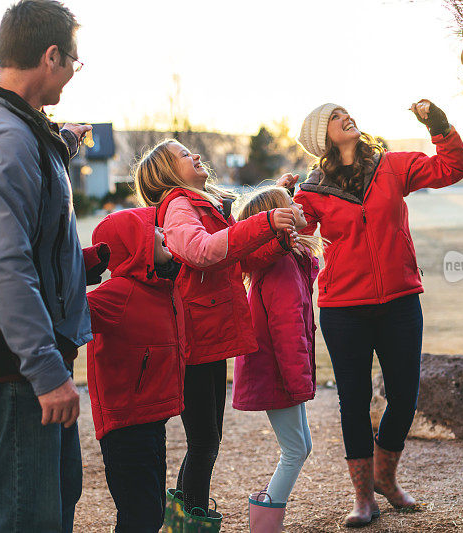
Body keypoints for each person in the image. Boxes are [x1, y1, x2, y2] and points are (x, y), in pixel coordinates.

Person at [0, 1, 93, 531]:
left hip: (31, 362)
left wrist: (88, 262)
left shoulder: (21, 128)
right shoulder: (6, 138)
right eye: (74, 59)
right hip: (17, 368)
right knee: (28, 520)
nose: (76, 71)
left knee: (56, 501)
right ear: (51, 56)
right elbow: (4, 266)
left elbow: (33, 242)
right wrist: (47, 373)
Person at [293, 100, 463, 527]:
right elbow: (298, 235)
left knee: (405, 395)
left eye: (345, 111)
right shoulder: (312, 190)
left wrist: (439, 124)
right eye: (334, 116)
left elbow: (452, 168)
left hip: (399, 301)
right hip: (343, 309)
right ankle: (363, 498)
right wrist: (284, 202)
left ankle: (385, 478)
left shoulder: (391, 166)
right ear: (323, 136)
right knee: (352, 403)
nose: (345, 116)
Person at [134, 139, 298, 532]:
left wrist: (275, 231)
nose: (194, 155)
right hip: (193, 341)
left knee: (206, 440)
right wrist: (265, 222)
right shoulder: (178, 207)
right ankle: (193, 522)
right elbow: (203, 251)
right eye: (182, 155)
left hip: (211, 337)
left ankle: (181, 520)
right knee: (205, 441)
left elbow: (234, 258)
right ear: (169, 173)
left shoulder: (204, 204)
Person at [84, 207, 186, 532]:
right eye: (153, 230)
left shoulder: (159, 287)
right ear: (135, 245)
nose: (162, 233)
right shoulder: (119, 294)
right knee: (139, 517)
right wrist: (86, 264)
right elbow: (65, 307)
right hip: (125, 425)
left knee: (152, 514)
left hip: (151, 420)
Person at [232, 187, 324, 532]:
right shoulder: (281, 267)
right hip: (277, 373)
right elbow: (288, 330)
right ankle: (265, 524)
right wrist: (299, 384)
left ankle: (267, 516)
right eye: (290, 204)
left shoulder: (285, 261)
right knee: (296, 450)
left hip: (279, 372)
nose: (298, 205)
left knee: (302, 446)